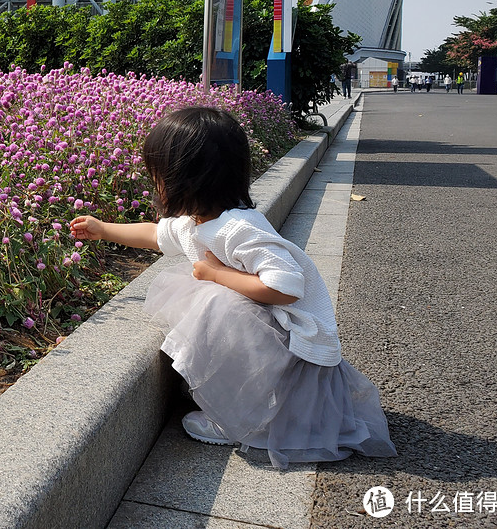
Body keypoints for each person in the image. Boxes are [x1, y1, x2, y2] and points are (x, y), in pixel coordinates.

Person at [69, 107, 395, 470]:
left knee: (216, 301)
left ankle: (239, 419)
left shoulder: (239, 227)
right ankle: (234, 403)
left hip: (291, 346)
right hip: (270, 336)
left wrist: (216, 274)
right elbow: (155, 234)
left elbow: (286, 286)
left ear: (184, 179)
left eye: (158, 175)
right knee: (213, 300)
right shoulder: (197, 219)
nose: (154, 184)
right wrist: (104, 229)